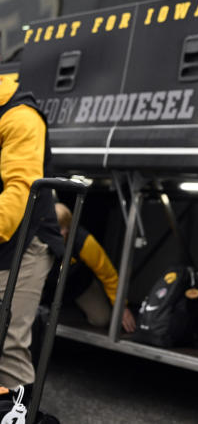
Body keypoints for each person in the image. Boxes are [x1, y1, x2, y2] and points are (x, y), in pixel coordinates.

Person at [0, 73, 63, 398]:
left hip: (26, 243)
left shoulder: (20, 117)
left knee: (8, 341)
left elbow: (19, 195)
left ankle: (17, 414)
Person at [46, 203, 136, 333]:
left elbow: (108, 275)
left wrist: (121, 306)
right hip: (47, 287)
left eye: (66, 227)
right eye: (58, 228)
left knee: (102, 319)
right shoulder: (39, 239)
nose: (63, 232)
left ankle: (80, 310)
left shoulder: (84, 241)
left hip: (79, 285)